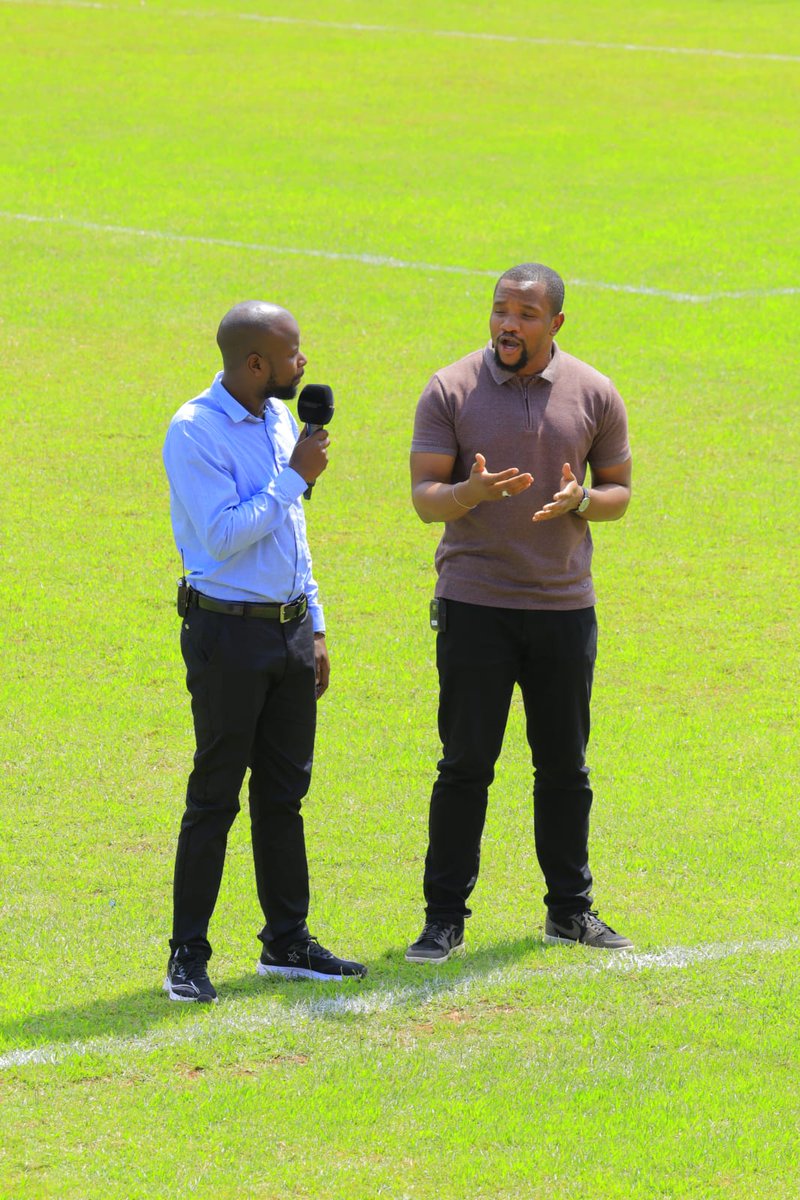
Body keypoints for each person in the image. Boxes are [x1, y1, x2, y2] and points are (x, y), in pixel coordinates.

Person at [405, 263, 634, 963]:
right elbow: (424, 497)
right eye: (502, 311)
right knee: (466, 763)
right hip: (475, 603)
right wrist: (467, 492)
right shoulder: (450, 389)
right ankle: (443, 918)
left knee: (565, 766)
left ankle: (570, 912)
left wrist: (584, 504)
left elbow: (619, 488)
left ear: (555, 323)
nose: (509, 324)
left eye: (527, 314)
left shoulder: (594, 392)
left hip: (563, 607)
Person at [161, 300, 366, 1002]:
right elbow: (221, 535)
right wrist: (295, 478)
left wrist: (315, 625)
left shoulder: (280, 420)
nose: (303, 361)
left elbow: (291, 536)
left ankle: (286, 941)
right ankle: (186, 955)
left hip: (285, 633)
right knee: (215, 797)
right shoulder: (194, 432)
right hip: (225, 634)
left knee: (284, 796)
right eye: (292, 351)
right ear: (256, 364)